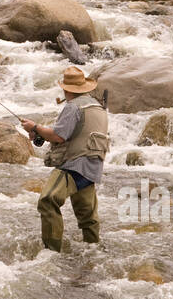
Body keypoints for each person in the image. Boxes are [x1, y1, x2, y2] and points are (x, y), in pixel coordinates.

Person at [20, 66, 109, 253]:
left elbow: (59, 136)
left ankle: (51, 252)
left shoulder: (73, 107)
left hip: (74, 165)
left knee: (48, 200)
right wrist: (41, 132)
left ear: (66, 89)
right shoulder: (97, 106)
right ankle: (92, 252)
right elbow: (77, 134)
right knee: (88, 217)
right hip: (93, 166)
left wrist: (34, 126)